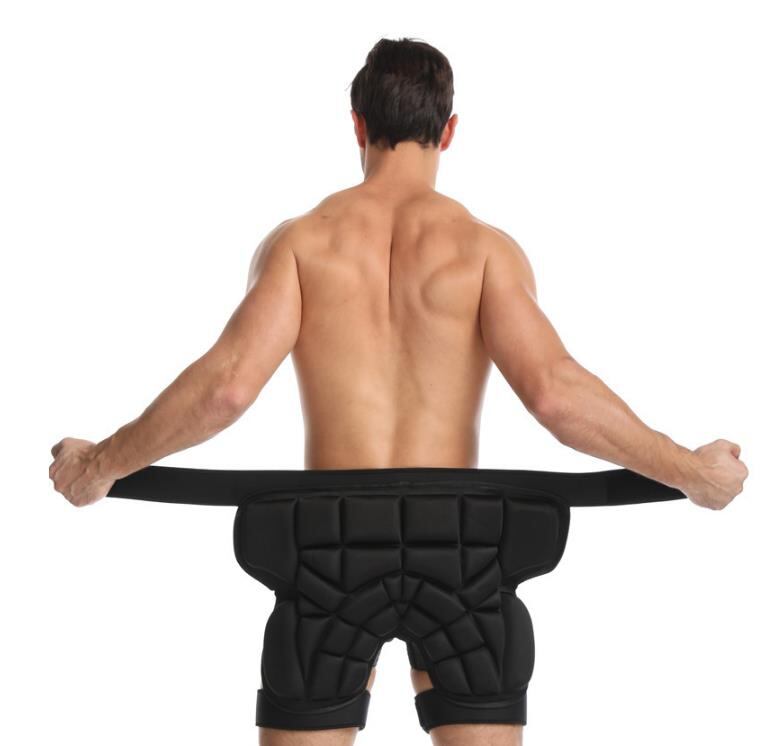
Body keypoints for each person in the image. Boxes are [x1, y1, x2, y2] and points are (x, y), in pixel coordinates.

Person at [49, 37, 748, 746]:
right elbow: (556, 395)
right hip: (461, 547)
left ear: (357, 124)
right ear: (450, 130)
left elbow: (226, 388)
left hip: (329, 546)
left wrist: (100, 464)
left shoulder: (302, 245)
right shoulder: (483, 250)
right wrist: (690, 471)